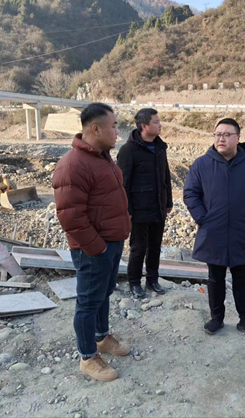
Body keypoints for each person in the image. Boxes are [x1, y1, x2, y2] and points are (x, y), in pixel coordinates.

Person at [52, 103, 131, 382]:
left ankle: (101, 337)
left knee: (102, 293)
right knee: (87, 302)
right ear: (96, 129)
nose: (117, 132)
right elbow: (71, 217)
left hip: (111, 242)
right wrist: (97, 248)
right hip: (93, 248)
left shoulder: (103, 158)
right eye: (114, 126)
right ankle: (87, 357)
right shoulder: (72, 165)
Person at [183, 118, 245, 338]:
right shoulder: (202, 164)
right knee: (215, 278)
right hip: (214, 231)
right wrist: (203, 218)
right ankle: (216, 318)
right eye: (218, 134)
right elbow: (191, 193)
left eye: (226, 134)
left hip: (242, 230)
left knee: (242, 279)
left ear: (238, 138)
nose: (221, 138)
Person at [117, 108, 173, 298]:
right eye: (156, 122)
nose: (160, 125)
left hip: (158, 206)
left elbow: (166, 176)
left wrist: (168, 201)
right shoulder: (128, 150)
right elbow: (123, 184)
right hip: (139, 210)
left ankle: (152, 279)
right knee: (138, 248)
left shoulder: (160, 147)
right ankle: (134, 282)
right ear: (144, 126)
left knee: (155, 247)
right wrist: (127, 210)